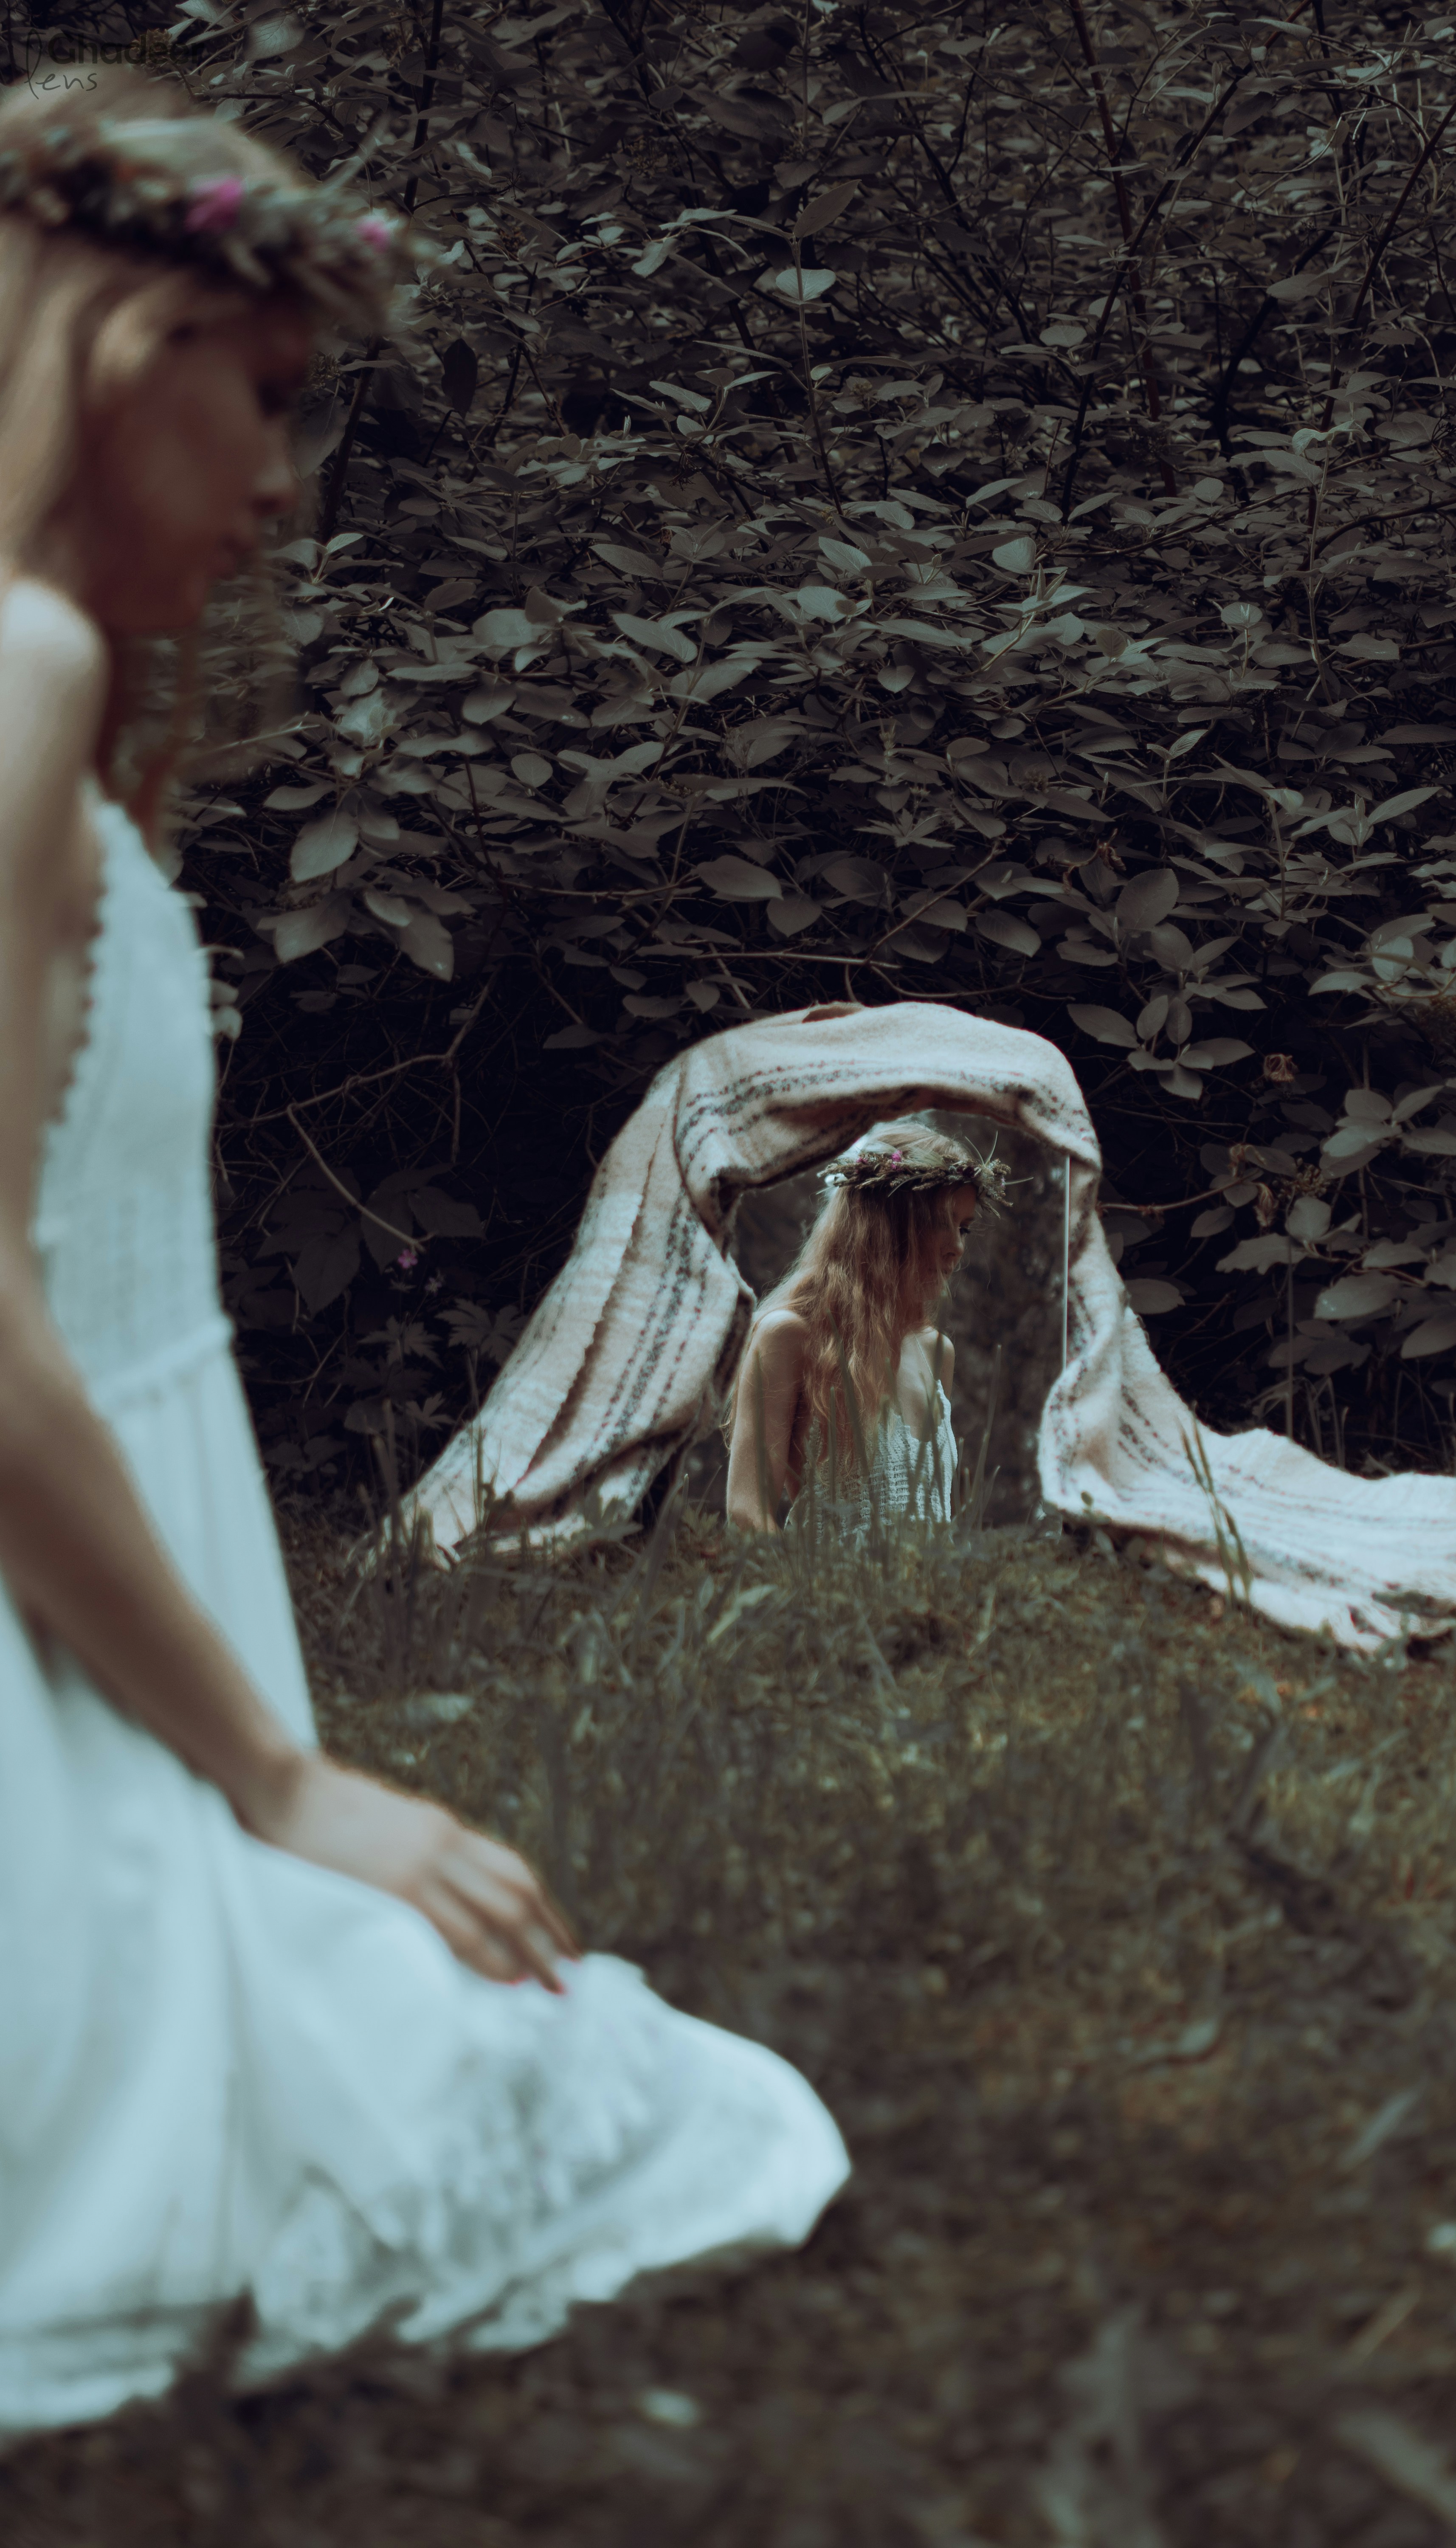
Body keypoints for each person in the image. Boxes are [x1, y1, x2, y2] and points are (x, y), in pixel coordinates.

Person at [0, 74, 846, 2440]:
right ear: (115, 342)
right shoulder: (20, 678)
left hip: (91, 1658)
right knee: (596, 2097)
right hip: (66, 1718)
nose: (285, 487)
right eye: (260, 401)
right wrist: (277, 1778)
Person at [726, 1120, 1006, 1540]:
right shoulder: (789, 1336)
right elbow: (747, 1514)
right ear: (882, 1221)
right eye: (939, 1222)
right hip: (831, 1600)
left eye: (963, 1227)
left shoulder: (937, 1352)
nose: (957, 1247)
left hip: (930, 1603)